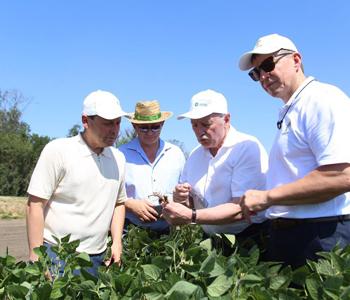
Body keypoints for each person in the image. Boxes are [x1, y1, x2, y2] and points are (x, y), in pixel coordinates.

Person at [238, 33, 350, 268]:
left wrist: (267, 197)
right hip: (294, 234)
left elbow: (342, 175)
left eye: (268, 64)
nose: (263, 77)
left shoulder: (322, 99)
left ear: (296, 60)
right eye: (256, 73)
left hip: (321, 235)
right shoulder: (292, 109)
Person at [26, 90, 128, 277]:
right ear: (85, 120)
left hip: (99, 257)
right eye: (107, 123)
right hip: (58, 254)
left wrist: (117, 243)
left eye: (118, 122)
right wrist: (37, 258)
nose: (114, 130)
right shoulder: (58, 151)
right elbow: (35, 205)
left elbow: (119, 203)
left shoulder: (119, 158)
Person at [162, 89, 268, 248]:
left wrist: (192, 216)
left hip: (249, 238)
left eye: (206, 124)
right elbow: (191, 202)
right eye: (194, 125)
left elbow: (240, 209)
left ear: (226, 119)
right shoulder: (195, 155)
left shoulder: (246, 148)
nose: (199, 131)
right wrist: (181, 198)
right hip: (211, 239)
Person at [119, 100, 186, 235]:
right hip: (132, 231)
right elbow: (110, 192)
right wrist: (130, 204)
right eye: (144, 128)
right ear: (134, 126)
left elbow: (184, 191)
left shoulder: (175, 153)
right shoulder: (121, 154)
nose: (150, 132)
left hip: (170, 230)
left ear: (162, 124)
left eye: (155, 127)